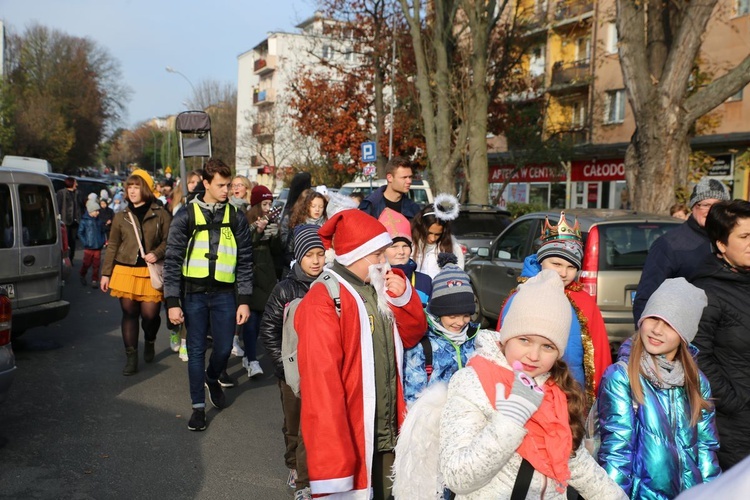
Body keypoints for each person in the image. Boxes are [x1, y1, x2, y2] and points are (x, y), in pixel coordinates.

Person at [438, 270, 627, 499]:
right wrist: (510, 420)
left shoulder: (556, 387)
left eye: (547, 347)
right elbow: (457, 477)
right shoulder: (473, 382)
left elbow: (575, 462)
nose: (533, 356)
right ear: (507, 336)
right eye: (524, 340)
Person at [294, 209, 427, 499]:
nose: (385, 261)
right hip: (353, 436)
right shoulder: (323, 301)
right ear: (356, 253)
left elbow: (413, 334)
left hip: (387, 434)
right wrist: (334, 465)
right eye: (378, 254)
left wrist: (404, 298)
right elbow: (322, 389)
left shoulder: (377, 287)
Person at [597, 278, 720, 498]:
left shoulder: (696, 381)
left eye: (671, 323)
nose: (657, 330)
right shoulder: (622, 376)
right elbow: (617, 451)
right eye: (653, 317)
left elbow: (706, 449)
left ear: (685, 333)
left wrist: (714, 494)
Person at [162, 158, 254, 432]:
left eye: (229, 185)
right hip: (194, 295)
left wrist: (245, 300)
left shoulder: (236, 217)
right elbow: (172, 260)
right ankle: (198, 408)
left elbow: (246, 261)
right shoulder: (186, 216)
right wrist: (172, 302)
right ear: (206, 184)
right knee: (196, 350)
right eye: (221, 185)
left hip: (226, 295)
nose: (227, 190)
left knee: (225, 348)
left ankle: (212, 378)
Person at [497, 212, 611, 405]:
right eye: (556, 264)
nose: (563, 273)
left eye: (571, 267)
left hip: (572, 390)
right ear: (541, 261)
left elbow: (599, 354)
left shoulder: (584, 301)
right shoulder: (523, 295)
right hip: (524, 386)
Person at [259, 225, 326, 500]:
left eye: (320, 254)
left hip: (321, 370)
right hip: (292, 372)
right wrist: (283, 368)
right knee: (294, 424)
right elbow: (269, 330)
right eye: (309, 255)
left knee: (314, 427)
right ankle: (294, 467)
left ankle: (306, 481)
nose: (316, 261)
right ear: (299, 257)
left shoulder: (331, 284)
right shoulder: (285, 289)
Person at [692, 199, 750, 470]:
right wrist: (734, 402)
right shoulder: (705, 292)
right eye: (745, 236)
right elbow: (697, 356)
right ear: (721, 244)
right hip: (733, 425)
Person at [632, 176, 730, 325]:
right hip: (683, 334)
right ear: (693, 206)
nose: (711, 211)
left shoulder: (731, 241)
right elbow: (646, 297)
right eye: (705, 204)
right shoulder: (670, 244)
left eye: (718, 205)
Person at [100, 172, 171, 376]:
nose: (131, 190)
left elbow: (170, 240)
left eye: (136, 186)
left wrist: (156, 253)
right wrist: (106, 274)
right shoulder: (121, 216)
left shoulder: (161, 213)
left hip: (150, 272)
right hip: (125, 270)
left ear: (146, 189)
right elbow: (113, 245)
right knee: (129, 313)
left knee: (150, 316)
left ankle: (150, 339)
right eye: (129, 186)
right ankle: (131, 357)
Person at [403, 253, 479, 407]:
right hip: (432, 421)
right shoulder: (422, 345)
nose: (460, 322)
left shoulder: (477, 339)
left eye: (466, 315)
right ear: (438, 313)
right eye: (452, 316)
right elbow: (412, 398)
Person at [240, 185, 280, 379]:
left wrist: (275, 236)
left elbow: (277, 252)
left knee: (265, 321)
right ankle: (251, 359)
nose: (267, 208)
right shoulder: (245, 221)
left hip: (268, 277)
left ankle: (251, 355)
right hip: (250, 276)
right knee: (251, 321)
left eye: (270, 204)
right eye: (264, 203)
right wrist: (257, 231)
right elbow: (243, 245)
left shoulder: (273, 221)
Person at [378, 208, 432, 305]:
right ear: (382, 251)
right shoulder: (376, 281)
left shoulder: (425, 281)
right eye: (394, 246)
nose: (401, 252)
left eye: (405, 246)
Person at [412, 194, 464, 279]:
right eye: (429, 233)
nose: (433, 238)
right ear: (421, 227)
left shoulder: (453, 247)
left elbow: (458, 275)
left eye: (437, 234)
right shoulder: (410, 244)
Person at [281, 190, 328, 278]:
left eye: (321, 206)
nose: (317, 209)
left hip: (323, 273)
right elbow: (289, 252)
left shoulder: (328, 227)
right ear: (307, 207)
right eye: (313, 206)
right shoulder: (297, 227)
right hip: (298, 274)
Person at [78, 198, 107, 288]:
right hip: (89, 246)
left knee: (96, 264)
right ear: (90, 211)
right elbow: (80, 232)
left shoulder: (99, 221)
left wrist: (103, 241)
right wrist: (85, 242)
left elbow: (103, 231)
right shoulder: (84, 221)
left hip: (98, 246)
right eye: (96, 211)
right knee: (86, 263)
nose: (98, 212)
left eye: (98, 211)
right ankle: (82, 274)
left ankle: (95, 280)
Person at [56, 177, 81, 263]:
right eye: (75, 183)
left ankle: (71, 258)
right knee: (65, 241)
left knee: (73, 241)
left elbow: (80, 206)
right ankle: (64, 259)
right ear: (71, 183)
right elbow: (58, 207)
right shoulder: (61, 193)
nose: (76, 185)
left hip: (75, 221)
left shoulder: (77, 193)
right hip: (65, 221)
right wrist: (58, 219)